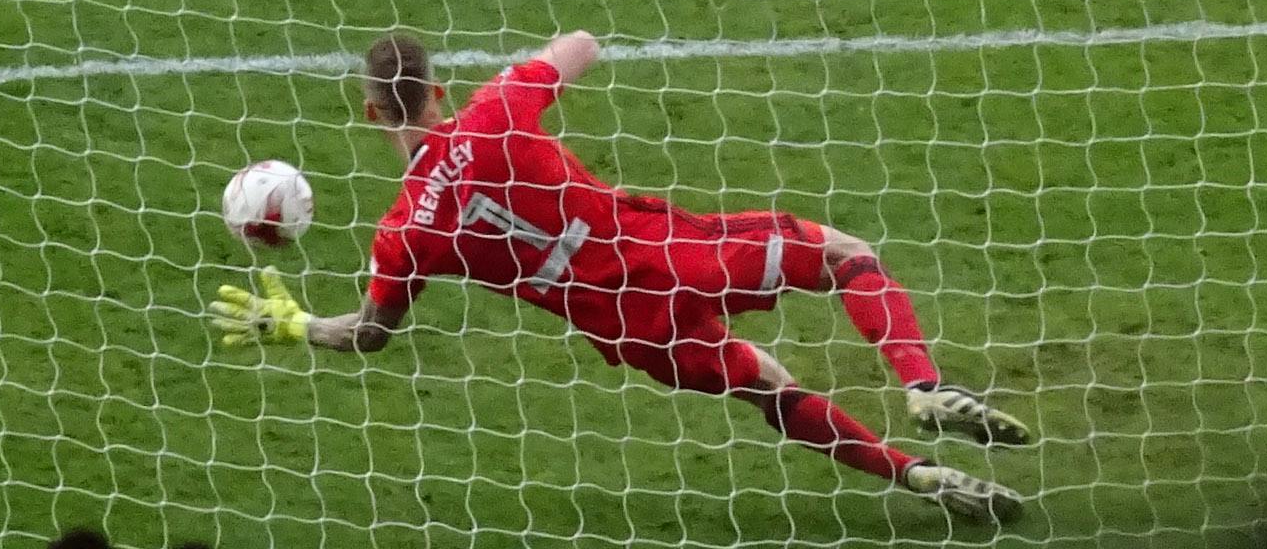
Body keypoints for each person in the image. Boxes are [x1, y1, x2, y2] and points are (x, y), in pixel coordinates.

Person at [210, 31, 1028, 527]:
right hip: (666, 254)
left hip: (625, 329)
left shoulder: (405, 235)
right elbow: (583, 45)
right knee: (848, 255)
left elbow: (373, 332)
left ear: (370, 116)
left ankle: (921, 477)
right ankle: (923, 386)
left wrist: (293, 327)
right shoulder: (496, 111)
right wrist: (529, 71)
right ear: (437, 89)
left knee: (768, 388)